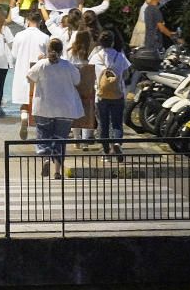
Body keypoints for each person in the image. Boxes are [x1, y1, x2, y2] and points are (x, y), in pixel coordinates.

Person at [26, 38, 84, 179]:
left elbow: (29, 78)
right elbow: (77, 81)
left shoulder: (41, 65)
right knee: (60, 139)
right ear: (61, 50)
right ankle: (57, 171)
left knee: (43, 135)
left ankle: (46, 159)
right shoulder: (68, 65)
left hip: (44, 108)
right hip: (65, 109)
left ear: (48, 50)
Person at [9, 8, 50, 140]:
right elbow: (49, 57)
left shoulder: (19, 36)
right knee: (39, 102)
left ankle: (24, 117)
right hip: (39, 72)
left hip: (23, 71)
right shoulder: (45, 37)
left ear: (27, 20)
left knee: (24, 100)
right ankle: (40, 131)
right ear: (40, 21)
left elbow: (14, 55)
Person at [90, 30, 129, 163]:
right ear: (112, 42)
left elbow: (90, 75)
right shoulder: (120, 56)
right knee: (117, 123)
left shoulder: (95, 57)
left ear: (100, 43)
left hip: (100, 95)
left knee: (103, 124)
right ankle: (117, 143)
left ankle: (106, 152)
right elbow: (126, 74)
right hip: (118, 94)